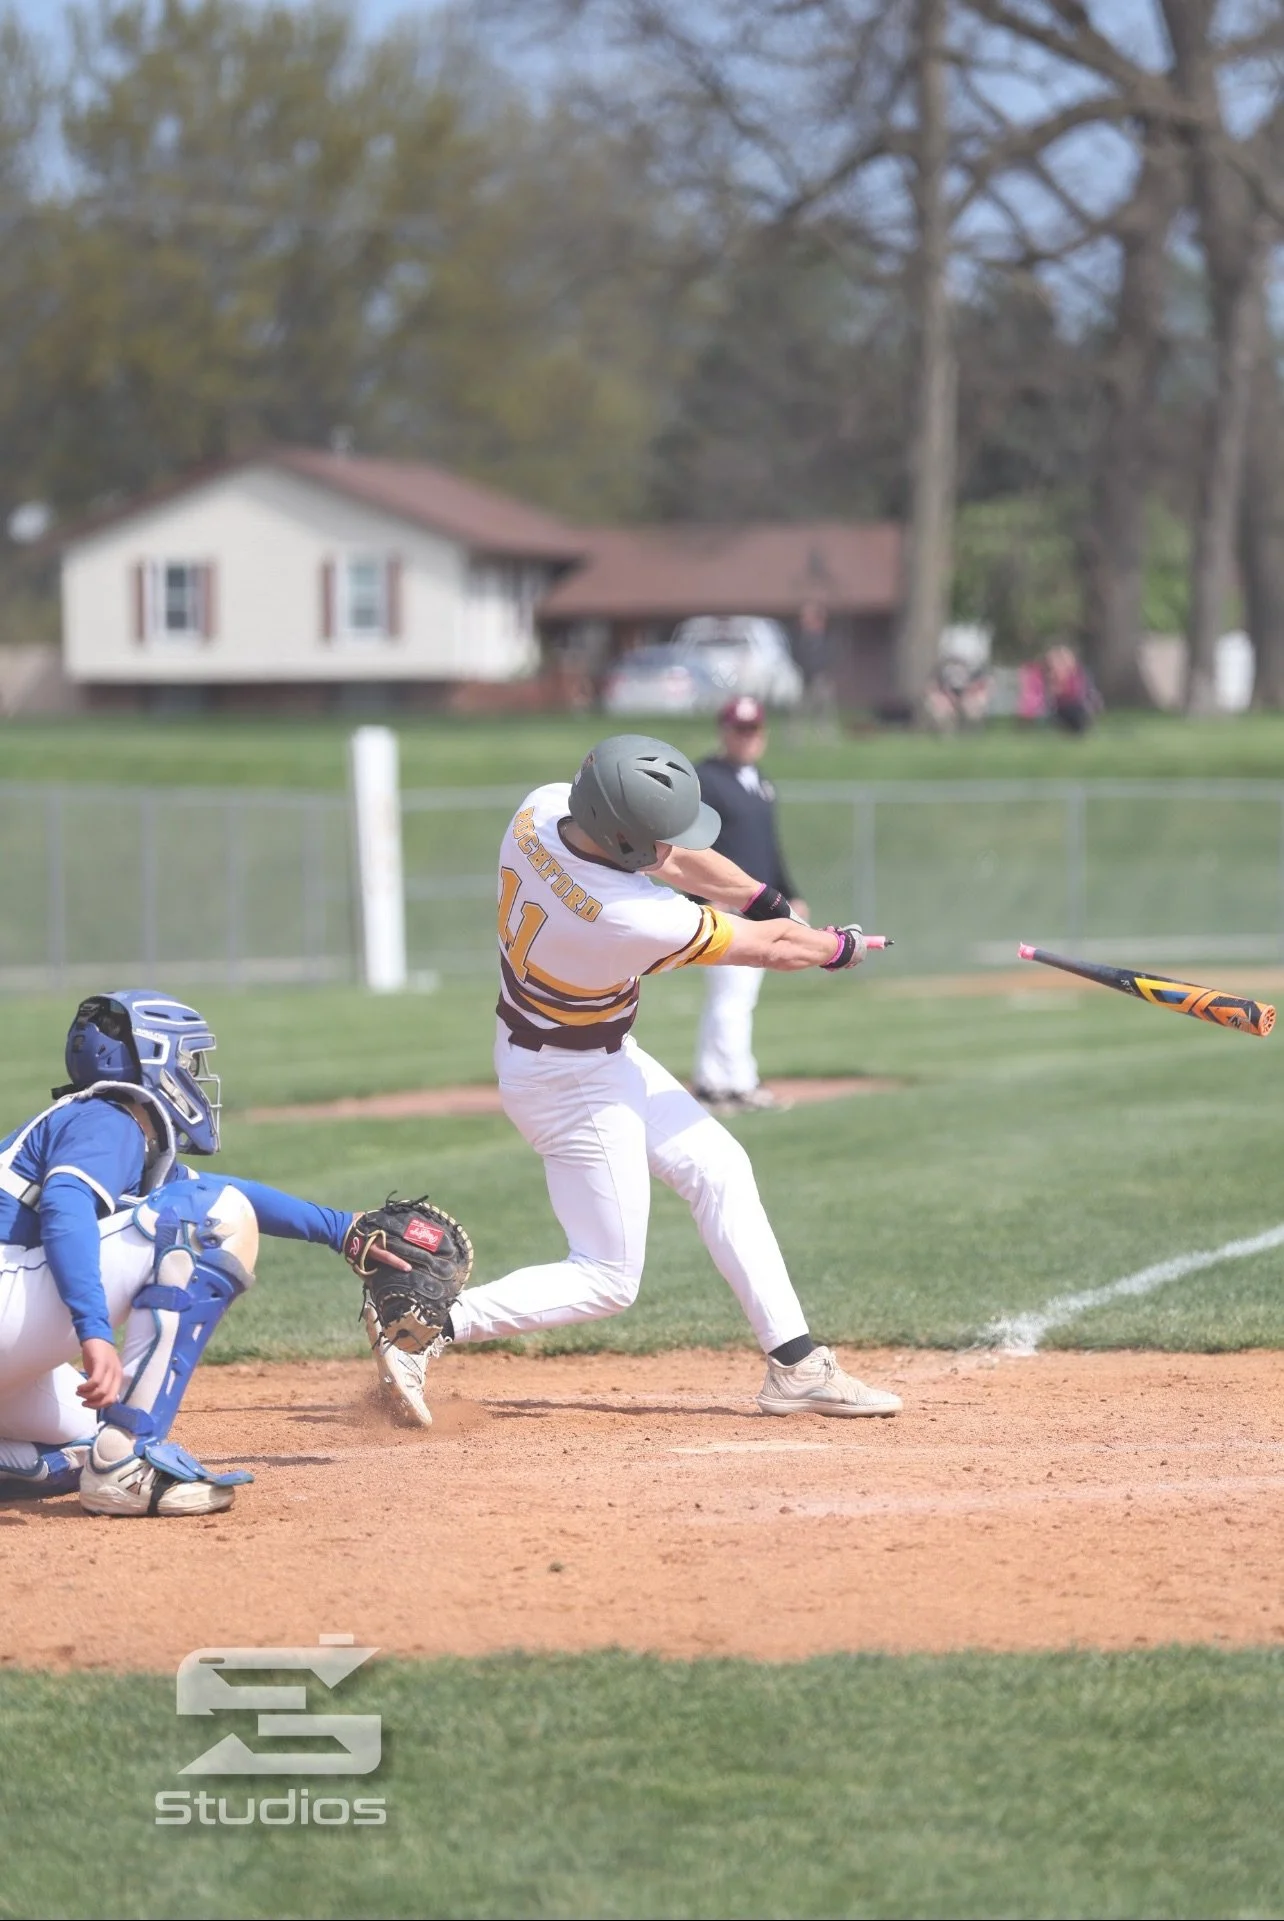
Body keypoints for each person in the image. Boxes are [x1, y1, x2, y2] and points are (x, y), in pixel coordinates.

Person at [367, 734, 902, 1425]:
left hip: (579, 1052)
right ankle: (424, 1321)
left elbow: (673, 856)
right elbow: (768, 947)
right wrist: (838, 946)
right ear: (620, 838)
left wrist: (765, 894)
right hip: (572, 1082)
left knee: (721, 1168)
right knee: (606, 1277)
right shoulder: (629, 916)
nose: (664, 848)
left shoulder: (542, 810)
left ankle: (795, 1365)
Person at [0, 990, 363, 1517]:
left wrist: (344, 1229)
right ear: (152, 1061)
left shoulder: (101, 1127)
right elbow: (66, 1206)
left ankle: (93, 1456)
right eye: (188, 1059)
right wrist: (95, 1331)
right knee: (209, 1218)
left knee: (84, 1441)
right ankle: (126, 1464)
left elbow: (220, 1184)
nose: (194, 1073)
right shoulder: (111, 1119)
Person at [691, 695, 805, 1112]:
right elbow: (689, 843)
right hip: (724, 902)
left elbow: (768, 847)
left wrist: (789, 892)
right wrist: (699, 894)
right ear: (724, 732)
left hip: (756, 902)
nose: (747, 737)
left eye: (754, 729)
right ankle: (739, 1082)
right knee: (734, 995)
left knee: (731, 995)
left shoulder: (760, 781)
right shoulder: (706, 778)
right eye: (739, 729)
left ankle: (711, 1080)